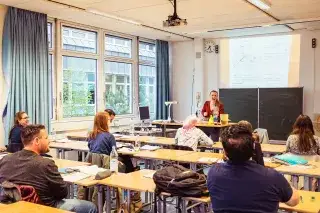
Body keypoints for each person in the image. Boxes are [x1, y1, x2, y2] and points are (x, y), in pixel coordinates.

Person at [0, 125, 97, 213]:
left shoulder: (5, 159)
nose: (49, 141)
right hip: (44, 207)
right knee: (91, 207)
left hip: (13, 207)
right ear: (37, 141)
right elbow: (62, 193)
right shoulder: (46, 164)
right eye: (46, 138)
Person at [207, 125, 299, 213]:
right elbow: (294, 201)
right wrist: (287, 184)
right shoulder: (272, 177)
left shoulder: (213, 173)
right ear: (253, 148)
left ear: (225, 152)